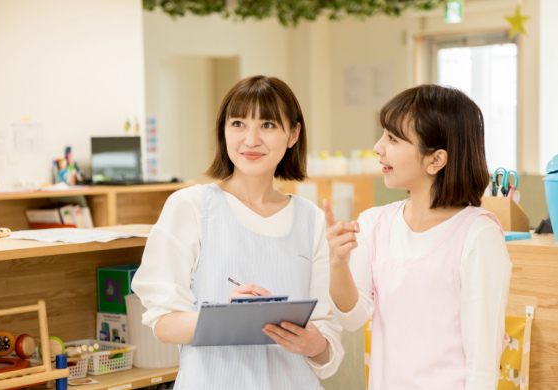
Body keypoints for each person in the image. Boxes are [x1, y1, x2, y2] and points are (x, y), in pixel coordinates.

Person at [132, 75, 344, 389]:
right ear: (223, 131)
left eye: (268, 125)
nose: (251, 139)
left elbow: (327, 348)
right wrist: (228, 317)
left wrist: (315, 344)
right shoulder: (190, 207)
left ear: (293, 134)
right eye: (238, 124)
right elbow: (163, 324)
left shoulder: (311, 219)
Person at [324, 84, 512, 389]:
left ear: (436, 160)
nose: (378, 147)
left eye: (393, 138)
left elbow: (483, 362)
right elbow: (352, 318)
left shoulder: (478, 235)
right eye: (384, 134)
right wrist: (337, 263)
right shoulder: (373, 223)